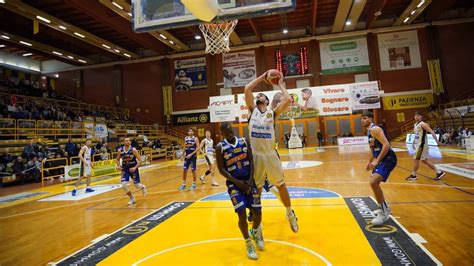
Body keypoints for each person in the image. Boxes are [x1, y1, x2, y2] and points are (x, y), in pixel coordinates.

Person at [244, 69, 298, 233]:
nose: (259, 96)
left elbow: (288, 99)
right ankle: (258, 223)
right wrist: (264, 76)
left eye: (262, 96)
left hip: (270, 154)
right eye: (258, 95)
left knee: (281, 185)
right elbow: (247, 89)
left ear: (267, 101)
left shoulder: (272, 113)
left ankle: (290, 213)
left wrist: (280, 84)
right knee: (257, 190)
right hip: (256, 155)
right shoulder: (252, 111)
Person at [215, 123, 263, 260]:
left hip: (248, 181)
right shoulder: (220, 147)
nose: (230, 134)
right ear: (222, 134)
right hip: (234, 185)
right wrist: (237, 183)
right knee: (241, 214)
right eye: (227, 133)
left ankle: (254, 231)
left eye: (231, 132)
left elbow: (252, 161)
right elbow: (221, 169)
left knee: (258, 213)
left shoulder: (244, 141)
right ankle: (248, 242)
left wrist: (250, 179)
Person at [362, 111, 397, 225]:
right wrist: (370, 162)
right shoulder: (368, 132)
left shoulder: (375, 129)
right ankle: (384, 207)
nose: (362, 120)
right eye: (361, 118)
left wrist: (377, 161)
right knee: (373, 183)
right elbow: (373, 150)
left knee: (373, 182)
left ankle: (383, 212)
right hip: (380, 160)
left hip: (388, 159)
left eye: (365, 118)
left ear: (371, 119)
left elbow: (386, 144)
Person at [406, 112, 446, 181]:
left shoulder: (423, 124)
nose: (416, 117)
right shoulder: (415, 124)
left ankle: (413, 175)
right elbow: (417, 135)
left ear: (421, 117)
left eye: (418, 116)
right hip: (418, 145)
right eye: (415, 116)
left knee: (416, 159)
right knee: (424, 161)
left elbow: (432, 132)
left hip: (422, 145)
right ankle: (439, 172)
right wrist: (413, 142)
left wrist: (437, 142)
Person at [116, 137, 147, 205]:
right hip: (125, 169)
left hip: (133, 169)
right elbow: (117, 160)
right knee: (123, 185)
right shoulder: (120, 150)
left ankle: (143, 187)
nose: (127, 142)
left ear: (130, 142)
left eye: (128, 140)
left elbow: (140, 160)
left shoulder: (133, 150)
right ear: (124, 142)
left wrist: (135, 167)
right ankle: (132, 198)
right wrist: (119, 166)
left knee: (137, 185)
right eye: (126, 140)